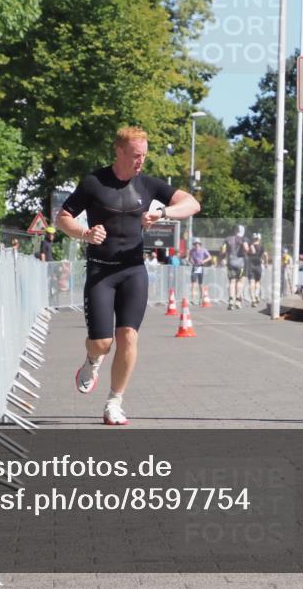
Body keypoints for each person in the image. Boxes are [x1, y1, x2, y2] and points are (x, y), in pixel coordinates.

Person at [56, 126, 200, 426]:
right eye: (136, 155)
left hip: (133, 270)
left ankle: (114, 402)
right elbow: (63, 217)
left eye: (144, 155)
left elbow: (192, 203)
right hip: (101, 271)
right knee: (102, 342)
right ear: (119, 151)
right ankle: (92, 360)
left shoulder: (147, 184)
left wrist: (163, 213)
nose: (141, 161)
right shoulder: (94, 182)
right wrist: (84, 233)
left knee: (128, 337)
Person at [222, 226, 249, 310]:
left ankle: (231, 300)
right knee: (240, 282)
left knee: (232, 282)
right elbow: (246, 248)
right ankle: (237, 300)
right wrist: (244, 251)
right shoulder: (242, 239)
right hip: (240, 263)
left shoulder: (227, 239)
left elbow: (223, 250)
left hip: (230, 262)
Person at [246, 232, 268, 306]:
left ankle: (253, 299)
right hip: (258, 265)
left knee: (251, 282)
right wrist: (266, 263)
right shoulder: (262, 246)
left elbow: (246, 253)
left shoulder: (250, 245)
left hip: (250, 265)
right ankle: (256, 295)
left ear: (253, 238)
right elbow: (265, 255)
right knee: (258, 281)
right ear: (259, 239)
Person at [189, 239, 212, 304]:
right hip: (195, 266)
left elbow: (209, 257)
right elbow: (190, 258)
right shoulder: (192, 250)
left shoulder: (203, 250)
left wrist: (203, 261)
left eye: (197, 243)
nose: (196, 245)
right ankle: (192, 299)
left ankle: (201, 299)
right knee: (193, 283)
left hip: (200, 266)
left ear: (200, 244)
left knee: (200, 283)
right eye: (195, 244)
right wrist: (191, 261)